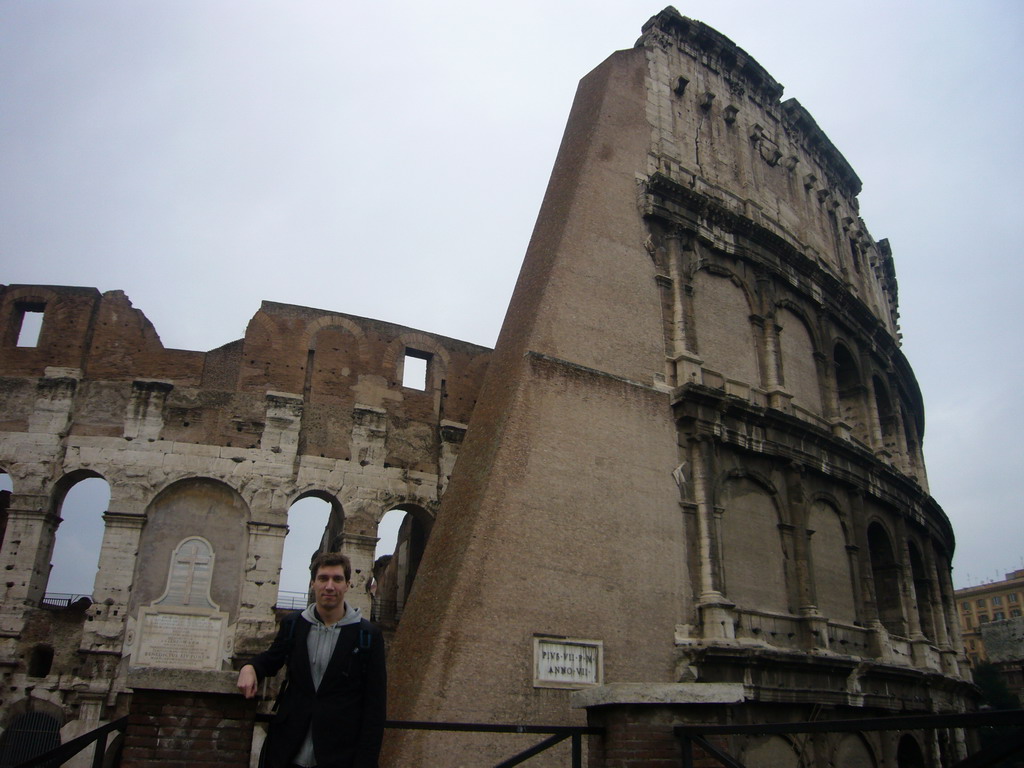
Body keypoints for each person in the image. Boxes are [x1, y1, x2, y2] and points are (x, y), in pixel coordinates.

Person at [237, 552, 387, 768]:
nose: (329, 586)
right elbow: (273, 658)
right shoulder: (294, 624)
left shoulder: (368, 635)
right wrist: (250, 667)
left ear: (347, 585)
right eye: (323, 578)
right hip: (288, 751)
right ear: (312, 583)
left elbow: (375, 707)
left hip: (338, 755)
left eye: (337, 579)